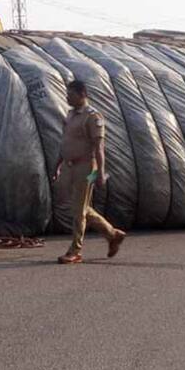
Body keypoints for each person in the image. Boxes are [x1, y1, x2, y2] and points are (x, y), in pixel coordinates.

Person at [52, 80, 127, 264]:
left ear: (82, 94)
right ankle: (112, 234)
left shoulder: (93, 117)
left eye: (71, 94)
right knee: (81, 207)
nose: (67, 97)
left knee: (79, 209)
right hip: (70, 166)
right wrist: (57, 165)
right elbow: (65, 143)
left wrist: (100, 173)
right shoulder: (70, 115)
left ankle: (75, 250)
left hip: (87, 168)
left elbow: (99, 147)